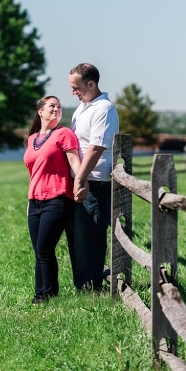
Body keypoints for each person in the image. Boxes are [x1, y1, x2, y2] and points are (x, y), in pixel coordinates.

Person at [23, 96, 85, 304]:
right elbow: (34, 174)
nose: (56, 109)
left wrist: (81, 183)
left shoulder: (64, 134)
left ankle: (46, 295)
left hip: (57, 199)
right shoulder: (32, 139)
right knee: (39, 252)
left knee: (45, 249)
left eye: (59, 107)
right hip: (35, 201)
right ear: (40, 111)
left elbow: (75, 162)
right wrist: (28, 202)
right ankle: (40, 293)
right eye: (52, 106)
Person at [66, 63, 120, 292]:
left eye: (76, 87)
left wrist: (81, 177)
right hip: (82, 178)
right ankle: (83, 285)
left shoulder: (104, 108)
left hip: (95, 182)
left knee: (90, 235)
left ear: (91, 83)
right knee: (78, 236)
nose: (73, 92)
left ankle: (92, 287)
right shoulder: (83, 107)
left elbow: (97, 147)